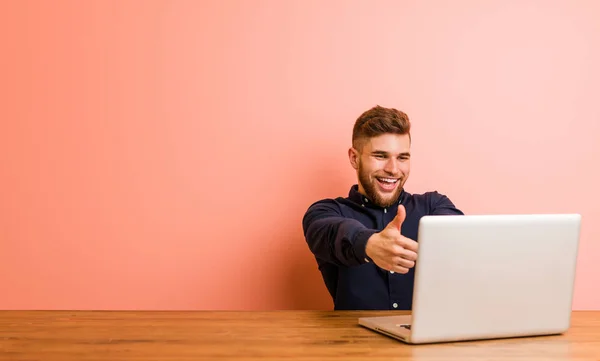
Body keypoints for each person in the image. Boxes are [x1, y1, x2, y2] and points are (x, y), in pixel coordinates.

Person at [302, 105, 464, 310]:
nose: (393, 169)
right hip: (354, 340)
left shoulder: (434, 206)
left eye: (402, 157)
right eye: (380, 156)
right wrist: (369, 244)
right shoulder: (326, 212)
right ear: (354, 158)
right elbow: (328, 231)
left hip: (427, 339)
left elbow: (462, 242)